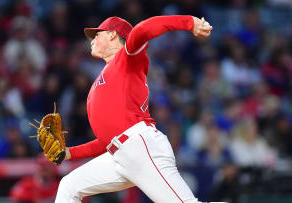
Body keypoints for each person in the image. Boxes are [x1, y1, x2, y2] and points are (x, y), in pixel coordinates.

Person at [55, 15, 213, 203]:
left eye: (98, 34)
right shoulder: (109, 73)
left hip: (140, 146)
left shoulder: (127, 58)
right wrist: (70, 153)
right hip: (120, 153)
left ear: (113, 35)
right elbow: (107, 138)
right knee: (69, 186)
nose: (93, 39)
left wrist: (189, 22)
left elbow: (141, 30)